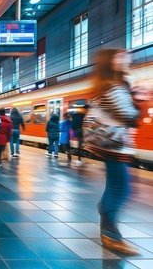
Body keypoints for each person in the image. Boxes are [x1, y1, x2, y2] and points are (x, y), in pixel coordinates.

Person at [85, 48, 140, 255]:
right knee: (121, 189)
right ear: (111, 62)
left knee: (118, 187)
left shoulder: (108, 86)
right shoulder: (113, 87)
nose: (128, 58)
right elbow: (129, 114)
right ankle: (111, 234)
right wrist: (136, 94)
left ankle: (110, 231)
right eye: (122, 56)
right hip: (113, 144)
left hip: (110, 144)